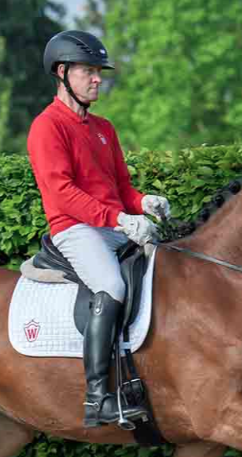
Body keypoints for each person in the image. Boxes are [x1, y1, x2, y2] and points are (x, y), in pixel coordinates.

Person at [27, 30, 171, 429]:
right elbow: (61, 192)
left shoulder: (104, 127)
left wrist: (144, 203)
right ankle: (97, 398)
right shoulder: (46, 127)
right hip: (75, 229)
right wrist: (120, 220)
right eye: (88, 71)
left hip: (111, 225)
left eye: (98, 72)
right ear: (62, 73)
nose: (96, 79)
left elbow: (121, 188)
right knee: (113, 285)